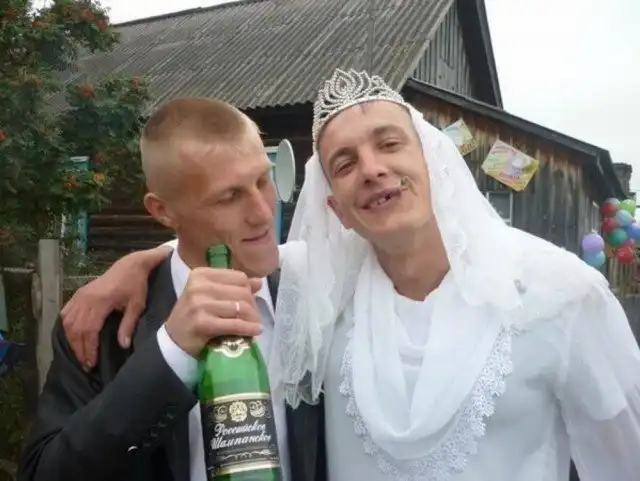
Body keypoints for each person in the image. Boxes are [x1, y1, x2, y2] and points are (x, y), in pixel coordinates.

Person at [61, 69, 640, 481]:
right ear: (334, 208)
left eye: (390, 143)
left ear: (434, 160)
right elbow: (209, 251)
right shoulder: (323, 284)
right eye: (344, 163)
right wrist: (140, 263)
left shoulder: (562, 293)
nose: (373, 169)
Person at [19, 98, 326, 481]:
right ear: (163, 211)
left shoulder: (314, 296)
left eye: (263, 180)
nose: (263, 213)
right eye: (229, 197)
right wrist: (170, 353)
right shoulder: (103, 328)